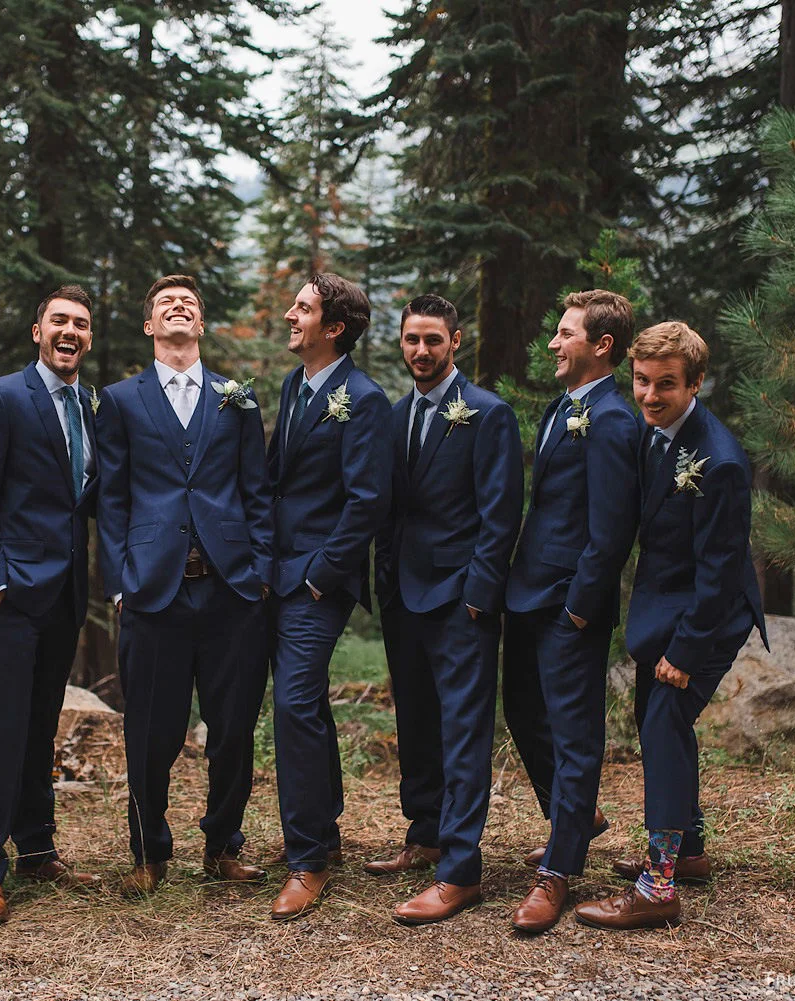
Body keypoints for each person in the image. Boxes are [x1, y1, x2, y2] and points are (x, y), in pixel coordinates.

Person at [575, 321, 767, 930]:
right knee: (657, 721)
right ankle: (689, 853)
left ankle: (658, 887)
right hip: (666, 607)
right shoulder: (652, 434)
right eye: (641, 381)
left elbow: (719, 574)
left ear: (696, 384)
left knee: (662, 725)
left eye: (666, 385)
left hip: (710, 617)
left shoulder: (721, 461)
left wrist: (685, 652)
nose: (650, 396)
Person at [94, 275, 273, 896]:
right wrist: (120, 584)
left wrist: (261, 574)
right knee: (151, 731)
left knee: (233, 728)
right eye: (167, 303)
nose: (179, 307)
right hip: (152, 591)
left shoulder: (236, 398)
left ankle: (223, 846)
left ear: (200, 325)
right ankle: (149, 852)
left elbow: (256, 491)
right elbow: (111, 498)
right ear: (150, 326)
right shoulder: (119, 400)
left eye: (189, 304)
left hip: (232, 590)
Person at [0, 284, 102, 924]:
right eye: (59, 321)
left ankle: (37, 849)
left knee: (42, 726)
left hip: (64, 595)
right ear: (37, 331)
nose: (70, 332)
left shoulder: (89, 406)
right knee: (6, 728)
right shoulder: (0, 397)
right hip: (11, 597)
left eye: (81, 324)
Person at [371, 293, 522, 926]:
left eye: (433, 339)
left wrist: (478, 597)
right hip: (403, 598)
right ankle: (426, 834)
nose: (422, 351)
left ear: (455, 342)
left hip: (461, 600)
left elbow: (500, 514)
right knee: (417, 722)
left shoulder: (488, 413)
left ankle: (460, 870)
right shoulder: (395, 415)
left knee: (463, 733)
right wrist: (384, 581)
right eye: (412, 339)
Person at [501, 290, 642, 933]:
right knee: (521, 710)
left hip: (569, 606)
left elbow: (612, 530)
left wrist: (582, 610)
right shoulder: (562, 407)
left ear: (601, 345)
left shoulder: (612, 420)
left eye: (566, 334)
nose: (554, 344)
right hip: (528, 592)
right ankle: (576, 817)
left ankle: (557, 872)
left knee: (574, 733)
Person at [264, 274, 392, 920]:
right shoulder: (296, 386)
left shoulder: (364, 400)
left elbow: (367, 501)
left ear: (334, 328)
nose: (290, 315)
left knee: (292, 705)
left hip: (318, 581)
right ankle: (328, 831)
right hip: (277, 571)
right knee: (306, 702)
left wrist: (319, 574)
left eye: (303, 308)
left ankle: (307, 859)